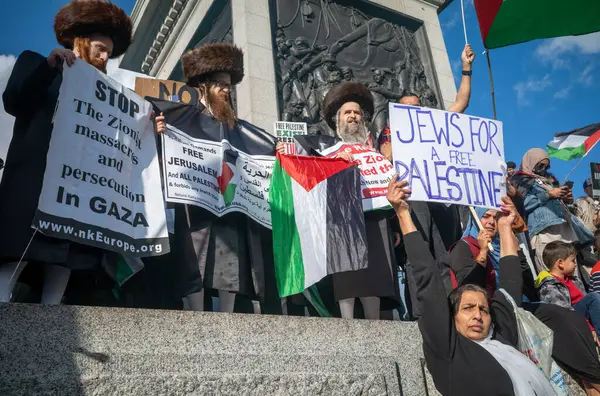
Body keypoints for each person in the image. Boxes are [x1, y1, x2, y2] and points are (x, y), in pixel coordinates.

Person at [0, 0, 133, 304]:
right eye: (100, 48)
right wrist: (49, 67)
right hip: (34, 175)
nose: (104, 58)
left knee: (67, 253)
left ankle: (52, 308)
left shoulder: (107, 93)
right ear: (80, 42)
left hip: (78, 185)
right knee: (18, 247)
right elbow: (14, 100)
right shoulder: (37, 62)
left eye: (109, 54)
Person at [387, 178, 556, 395]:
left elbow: (511, 283)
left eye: (483, 309)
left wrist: (505, 227)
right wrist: (402, 213)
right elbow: (427, 276)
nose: (477, 315)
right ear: (452, 316)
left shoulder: (502, 338)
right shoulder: (449, 349)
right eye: (467, 308)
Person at [155, 43, 279, 314]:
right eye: (219, 84)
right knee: (193, 258)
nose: (226, 89)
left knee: (229, 261)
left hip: (228, 201)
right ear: (203, 86)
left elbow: (262, 147)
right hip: (194, 201)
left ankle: (227, 315)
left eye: (228, 85)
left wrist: (276, 149)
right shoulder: (180, 117)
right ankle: (197, 315)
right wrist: (160, 133)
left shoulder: (237, 127)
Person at [279, 81, 399, 320]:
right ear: (337, 120)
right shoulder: (326, 146)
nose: (353, 116)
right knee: (346, 274)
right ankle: (347, 324)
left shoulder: (375, 152)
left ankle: (375, 326)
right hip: (341, 222)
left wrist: (395, 224)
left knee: (374, 274)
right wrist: (286, 150)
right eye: (347, 113)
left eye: (357, 113)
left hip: (375, 220)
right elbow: (299, 160)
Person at [512, 148, 593, 271]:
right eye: (541, 165)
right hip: (545, 234)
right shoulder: (520, 181)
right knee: (552, 272)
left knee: (572, 273)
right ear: (531, 161)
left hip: (566, 232)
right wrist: (548, 195)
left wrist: (567, 199)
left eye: (547, 166)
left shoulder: (549, 181)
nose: (544, 169)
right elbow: (522, 206)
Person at [450, 207, 533, 300]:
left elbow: (529, 286)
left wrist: (517, 252)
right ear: (474, 219)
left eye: (496, 218)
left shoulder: (505, 246)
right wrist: (483, 253)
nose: (492, 222)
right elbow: (467, 287)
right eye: (486, 216)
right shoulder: (464, 246)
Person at [536, 241, 600, 337]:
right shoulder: (549, 287)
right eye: (573, 261)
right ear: (560, 263)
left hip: (584, 318)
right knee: (594, 297)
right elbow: (564, 313)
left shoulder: (575, 280)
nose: (575, 264)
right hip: (574, 322)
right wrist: (588, 327)